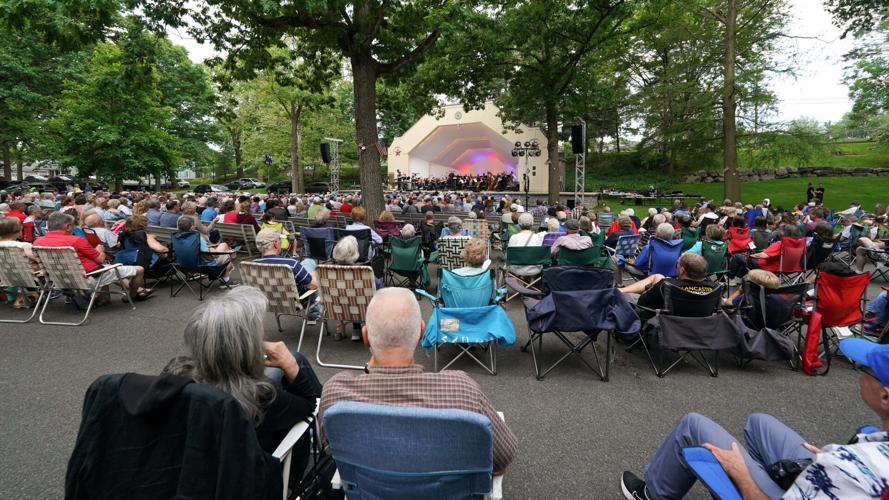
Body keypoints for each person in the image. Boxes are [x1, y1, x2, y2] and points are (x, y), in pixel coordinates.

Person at [620, 337, 889, 500]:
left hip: (822, 481)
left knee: (693, 424)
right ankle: (767, 475)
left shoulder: (848, 467)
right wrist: (831, 458)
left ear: (885, 396)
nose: (861, 373)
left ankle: (653, 495)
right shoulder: (866, 451)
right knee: (759, 422)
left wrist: (741, 474)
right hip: (837, 475)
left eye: (866, 369)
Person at [319, 288, 517, 474]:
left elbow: (332, 449)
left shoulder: (335, 396)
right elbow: (502, 458)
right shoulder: (462, 391)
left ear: (365, 336)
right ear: (422, 331)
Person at [163, 286, 322, 479]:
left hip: (191, 468)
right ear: (246, 346)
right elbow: (308, 404)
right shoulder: (261, 395)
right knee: (296, 363)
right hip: (251, 477)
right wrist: (289, 364)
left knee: (295, 359)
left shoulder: (177, 371)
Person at [34, 212, 152, 300]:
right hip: (87, 278)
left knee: (108, 269)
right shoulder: (76, 241)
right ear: (68, 227)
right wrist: (99, 250)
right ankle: (132, 296)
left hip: (58, 279)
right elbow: (100, 258)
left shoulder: (38, 242)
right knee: (138, 269)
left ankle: (106, 299)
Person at [253, 228, 319, 322]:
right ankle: (313, 313)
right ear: (275, 244)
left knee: (307, 263)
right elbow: (314, 285)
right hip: (296, 301)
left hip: (269, 301)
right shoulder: (290, 264)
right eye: (279, 240)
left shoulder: (252, 265)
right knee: (311, 267)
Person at [619, 253, 717, 314]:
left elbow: (642, 303)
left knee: (625, 296)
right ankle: (620, 290)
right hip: (699, 324)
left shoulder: (667, 285)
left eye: (677, 264)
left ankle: (618, 291)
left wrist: (652, 288)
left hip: (666, 320)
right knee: (658, 277)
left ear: (682, 270)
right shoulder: (715, 288)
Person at [176, 216, 235, 284]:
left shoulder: (177, 238)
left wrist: (210, 249)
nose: (195, 226)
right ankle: (226, 279)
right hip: (205, 265)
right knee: (229, 253)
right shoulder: (197, 238)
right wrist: (213, 252)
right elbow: (209, 257)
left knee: (224, 246)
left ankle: (225, 276)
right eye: (193, 224)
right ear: (192, 227)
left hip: (185, 264)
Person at [728, 224, 802, 279]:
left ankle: (730, 278)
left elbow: (763, 256)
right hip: (789, 269)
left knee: (738, 256)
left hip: (766, 268)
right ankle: (738, 277)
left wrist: (751, 256)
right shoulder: (799, 245)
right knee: (745, 260)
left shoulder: (780, 244)